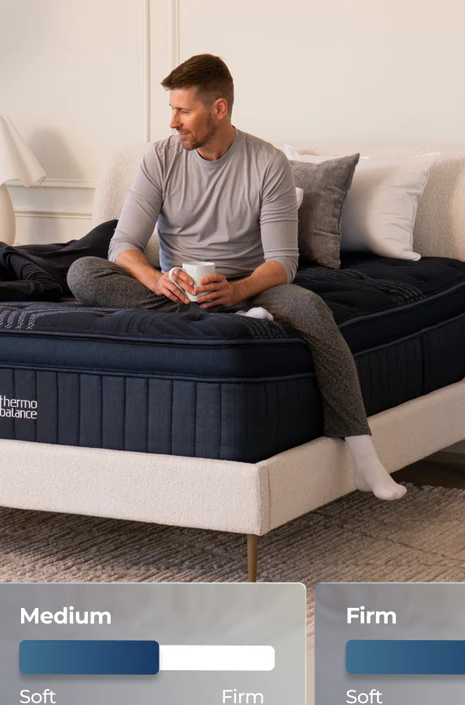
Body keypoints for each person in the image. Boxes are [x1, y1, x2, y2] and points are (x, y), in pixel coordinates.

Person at [66, 54, 406, 501]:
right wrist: (153, 280)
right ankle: (229, 317)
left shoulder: (267, 163)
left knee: (309, 307)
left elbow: (283, 262)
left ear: (219, 109)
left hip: (250, 283)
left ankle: (364, 459)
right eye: (172, 110)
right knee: (82, 272)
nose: (173, 121)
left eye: (183, 111)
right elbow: (122, 245)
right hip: (179, 290)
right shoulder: (159, 158)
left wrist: (238, 289)